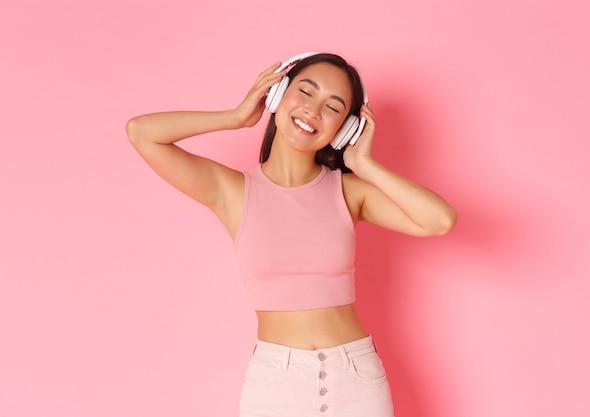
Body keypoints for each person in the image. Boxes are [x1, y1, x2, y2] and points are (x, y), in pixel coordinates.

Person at [126, 52, 456, 417]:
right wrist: (236, 117)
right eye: (305, 91)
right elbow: (141, 132)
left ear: (344, 128)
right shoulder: (233, 191)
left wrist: (364, 164)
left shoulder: (350, 192)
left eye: (333, 107)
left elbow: (439, 220)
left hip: (355, 377)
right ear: (277, 92)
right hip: (276, 385)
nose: (313, 111)